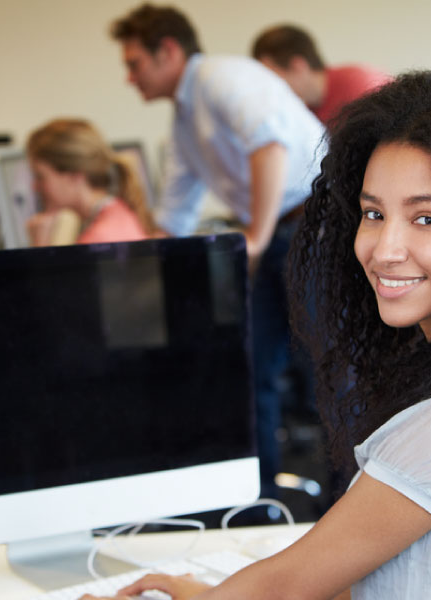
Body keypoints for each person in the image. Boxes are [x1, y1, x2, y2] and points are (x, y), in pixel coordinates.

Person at [82, 69, 431, 599]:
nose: (383, 249)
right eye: (372, 212)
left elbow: (283, 588)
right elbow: (401, 573)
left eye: (427, 219)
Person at [110, 3, 326, 499]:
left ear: (167, 51)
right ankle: (261, 497)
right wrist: (129, 257)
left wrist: (254, 234)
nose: (129, 77)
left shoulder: (222, 78)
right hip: (282, 232)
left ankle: (342, 506)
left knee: (324, 371)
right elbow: (175, 214)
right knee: (255, 368)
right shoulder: (186, 120)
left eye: (134, 63)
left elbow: (270, 146)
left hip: (311, 223)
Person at [25, 119, 154, 245]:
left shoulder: (97, 242)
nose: (34, 187)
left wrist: (41, 249)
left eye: (40, 176)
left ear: (74, 175)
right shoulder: (118, 211)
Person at [252, 24, 390, 126]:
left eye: (272, 76)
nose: (269, 85)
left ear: (297, 66)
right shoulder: (303, 111)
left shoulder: (360, 84)